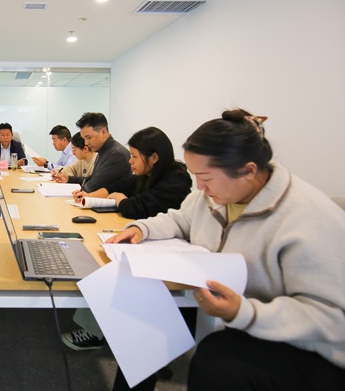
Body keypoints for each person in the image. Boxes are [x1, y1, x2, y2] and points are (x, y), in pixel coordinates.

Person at [108, 110, 345, 391]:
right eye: (196, 176)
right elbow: (179, 219)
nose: (199, 187)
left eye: (205, 177)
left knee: (218, 362)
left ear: (248, 171)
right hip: (224, 303)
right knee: (146, 318)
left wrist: (244, 312)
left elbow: (331, 319)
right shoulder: (211, 195)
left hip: (307, 347)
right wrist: (142, 229)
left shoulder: (307, 217)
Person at [62, 127, 192, 351]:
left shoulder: (176, 180)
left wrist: (122, 201)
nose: (130, 161)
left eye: (134, 156)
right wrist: (90, 196)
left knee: (108, 266)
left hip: (167, 250)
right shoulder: (146, 174)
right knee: (102, 252)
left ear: (154, 157)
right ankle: (98, 327)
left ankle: (95, 333)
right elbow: (118, 187)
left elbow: (137, 207)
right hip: (147, 237)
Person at [53, 112, 132, 196]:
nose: (86, 143)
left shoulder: (116, 154)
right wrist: (68, 179)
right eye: (84, 139)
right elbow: (93, 178)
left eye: (88, 138)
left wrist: (79, 191)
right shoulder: (103, 151)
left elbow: (94, 186)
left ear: (103, 132)